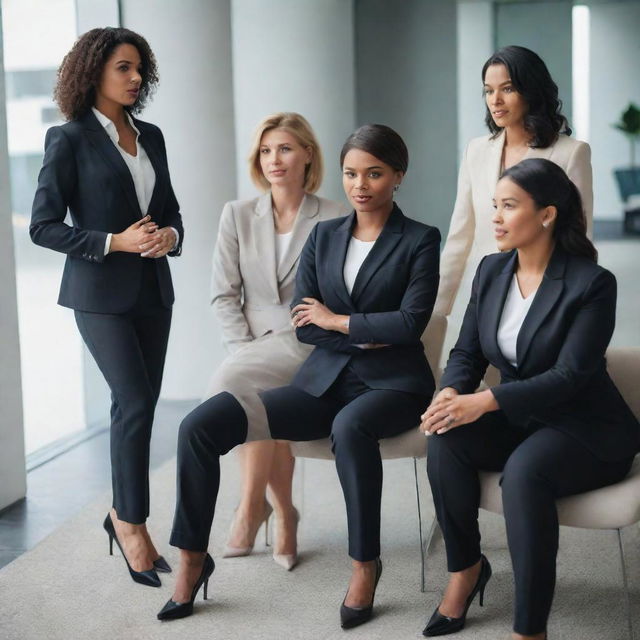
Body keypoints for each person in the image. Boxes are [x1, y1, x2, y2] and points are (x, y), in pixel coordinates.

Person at [158, 124, 440, 625]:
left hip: (393, 384)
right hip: (324, 381)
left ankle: (364, 565)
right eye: (352, 173)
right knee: (198, 426)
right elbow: (304, 325)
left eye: (374, 174)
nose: (360, 185)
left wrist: (337, 320)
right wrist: (355, 331)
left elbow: (409, 323)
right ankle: (192, 561)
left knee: (350, 427)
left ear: (398, 175)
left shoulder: (420, 239)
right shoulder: (325, 235)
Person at [420, 158, 640, 640]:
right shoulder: (492, 270)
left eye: (510, 206)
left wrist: (484, 401)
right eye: (495, 205)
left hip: (585, 427)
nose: (496, 217)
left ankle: (529, 630)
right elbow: (467, 350)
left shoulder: (591, 283)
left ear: (547, 214)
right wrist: (452, 391)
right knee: (446, 441)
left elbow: (569, 376)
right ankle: (465, 570)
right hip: (521, 416)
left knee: (523, 475)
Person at [30, 27, 183, 587]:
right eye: (124, 67)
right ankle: (131, 524)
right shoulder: (66, 139)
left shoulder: (153, 136)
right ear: (94, 71)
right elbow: (43, 227)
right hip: (99, 295)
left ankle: (123, 513)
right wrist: (112, 242)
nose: (136, 77)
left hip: (153, 291)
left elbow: (171, 211)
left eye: (140, 68)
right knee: (136, 402)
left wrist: (169, 236)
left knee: (136, 406)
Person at [207, 112, 346, 569]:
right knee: (253, 385)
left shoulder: (336, 214)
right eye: (266, 151)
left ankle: (252, 509)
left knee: (249, 390)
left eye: (285, 148)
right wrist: (242, 348)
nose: (274, 159)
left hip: (310, 341)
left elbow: (342, 292)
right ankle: (281, 510)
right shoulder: (238, 214)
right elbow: (223, 294)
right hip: (249, 344)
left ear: (308, 153)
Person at [435, 45, 593, 330]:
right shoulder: (476, 151)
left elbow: (581, 237)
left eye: (507, 89)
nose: (495, 100)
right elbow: (461, 236)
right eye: (488, 90)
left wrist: (573, 310)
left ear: (530, 91)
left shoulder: (571, 153)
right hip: (486, 295)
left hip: (544, 298)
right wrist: (436, 309)